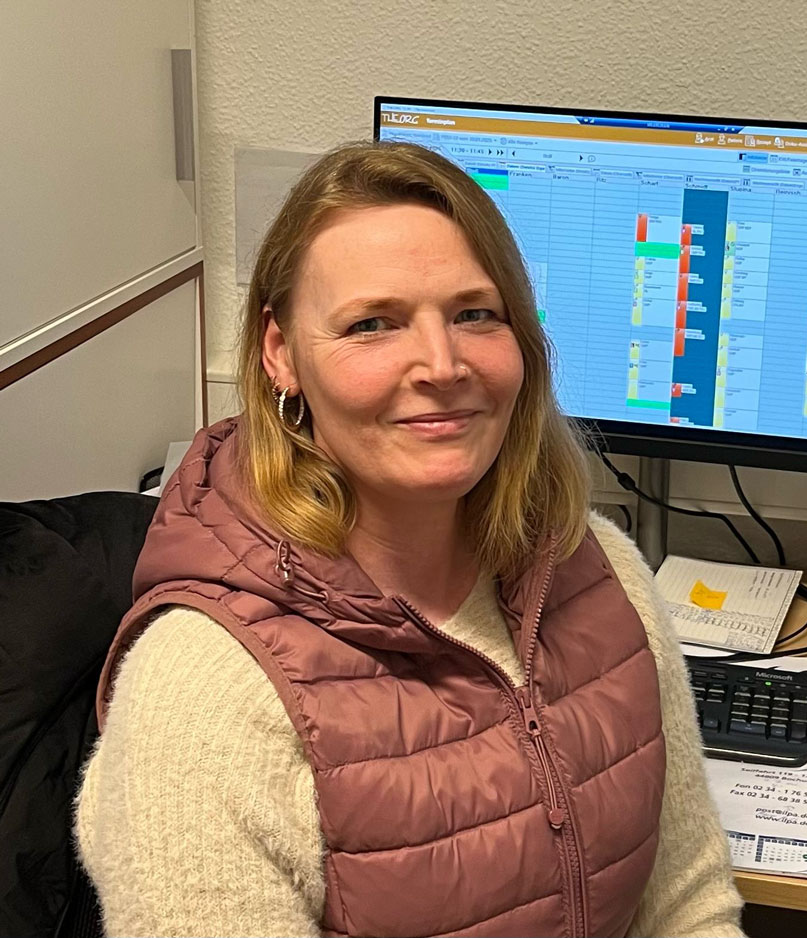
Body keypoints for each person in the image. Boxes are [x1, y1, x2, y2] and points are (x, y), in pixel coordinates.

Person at [75, 141, 746, 938]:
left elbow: (688, 905)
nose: (441, 363)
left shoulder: (601, 571)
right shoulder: (204, 693)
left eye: (475, 314)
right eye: (372, 324)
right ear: (280, 353)